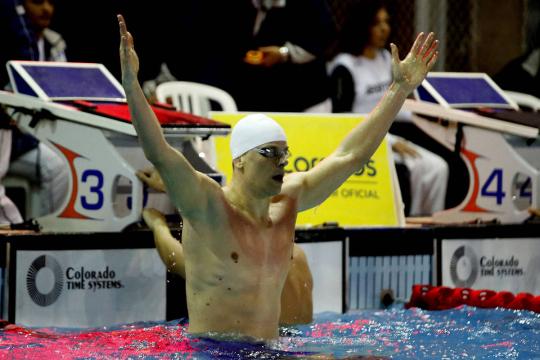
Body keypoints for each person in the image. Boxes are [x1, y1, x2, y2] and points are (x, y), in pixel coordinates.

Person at [118, 13, 438, 340]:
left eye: (284, 155)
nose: (281, 164)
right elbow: (159, 151)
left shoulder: (288, 203)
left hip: (272, 350)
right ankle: (156, 223)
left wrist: (399, 89)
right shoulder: (209, 205)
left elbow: (350, 156)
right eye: (269, 154)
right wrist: (131, 87)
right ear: (239, 161)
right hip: (213, 352)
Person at [328, 0, 448, 217]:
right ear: (362, 26)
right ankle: (408, 221)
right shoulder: (344, 66)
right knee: (410, 171)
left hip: (393, 134)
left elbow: (399, 103)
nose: (384, 29)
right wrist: (389, 142)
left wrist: (428, 118)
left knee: (438, 167)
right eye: (377, 23)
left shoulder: (386, 59)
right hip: (366, 139)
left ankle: (429, 224)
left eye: (386, 22)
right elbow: (343, 117)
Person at [6, 0, 69, 218]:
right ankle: (41, 238)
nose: (46, 9)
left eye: (51, 2)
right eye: (37, 1)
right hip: (16, 138)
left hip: (41, 133)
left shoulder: (55, 43)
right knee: (57, 168)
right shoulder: (13, 41)